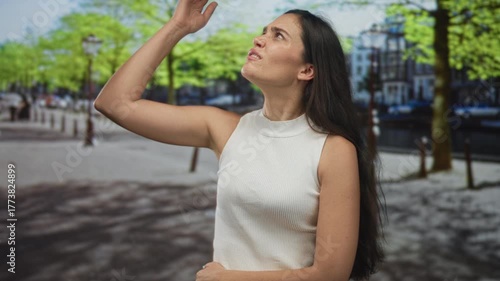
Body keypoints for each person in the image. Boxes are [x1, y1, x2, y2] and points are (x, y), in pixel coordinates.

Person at [94, 0, 385, 280]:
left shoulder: (333, 150)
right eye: (263, 32)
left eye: (278, 35)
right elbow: (115, 103)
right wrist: (178, 26)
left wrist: (229, 278)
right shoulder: (227, 129)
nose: (259, 40)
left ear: (306, 70)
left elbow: (330, 274)